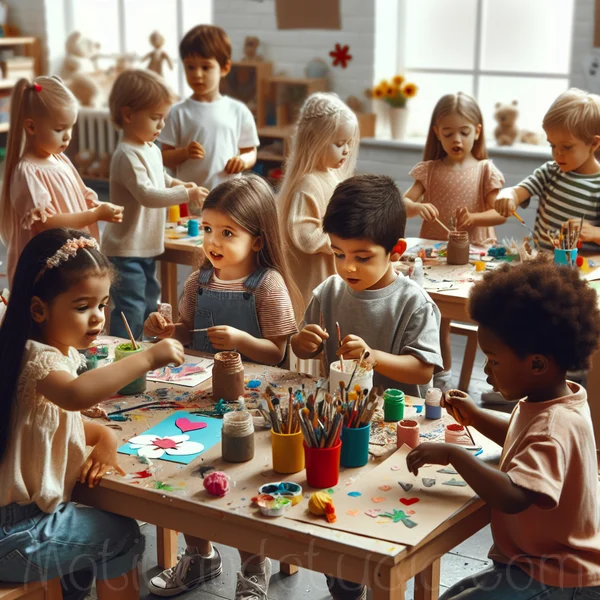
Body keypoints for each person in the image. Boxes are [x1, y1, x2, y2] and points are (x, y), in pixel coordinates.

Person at [0, 228, 185, 600]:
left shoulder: (38, 351)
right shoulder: (38, 359)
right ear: (39, 308)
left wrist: (106, 435)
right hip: (17, 534)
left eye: (102, 305)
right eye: (82, 306)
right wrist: (146, 357)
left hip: (21, 527)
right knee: (122, 535)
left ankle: (73, 589)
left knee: (101, 527)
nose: (98, 318)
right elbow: (75, 395)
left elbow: (54, 421)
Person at [143, 174, 300, 599]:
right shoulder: (198, 282)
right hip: (198, 395)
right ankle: (201, 555)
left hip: (249, 403)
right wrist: (164, 329)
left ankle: (253, 564)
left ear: (258, 240)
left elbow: (277, 352)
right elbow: (187, 334)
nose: (212, 241)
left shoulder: (268, 285)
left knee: (243, 478)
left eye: (227, 232)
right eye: (208, 229)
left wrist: (242, 341)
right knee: (189, 474)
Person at [407, 256, 600, 599]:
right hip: (536, 561)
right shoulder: (557, 400)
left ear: (537, 363)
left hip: (558, 575)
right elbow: (520, 437)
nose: (486, 372)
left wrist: (453, 454)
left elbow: (513, 495)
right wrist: (477, 416)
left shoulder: (554, 426)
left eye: (493, 361)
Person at [403, 92, 506, 390]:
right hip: (436, 262)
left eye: (464, 132)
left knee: (491, 318)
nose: (456, 139)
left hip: (474, 260)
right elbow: (402, 202)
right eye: (448, 133)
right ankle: (441, 376)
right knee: (436, 321)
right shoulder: (429, 170)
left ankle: (498, 380)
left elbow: (498, 214)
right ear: (437, 133)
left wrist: (474, 219)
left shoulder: (486, 170)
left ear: (478, 130)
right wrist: (417, 207)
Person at [101, 69, 207, 340]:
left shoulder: (151, 147)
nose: (161, 126)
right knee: (131, 306)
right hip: (125, 249)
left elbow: (162, 179)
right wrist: (186, 195)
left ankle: (145, 352)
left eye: (163, 119)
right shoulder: (126, 154)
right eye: (155, 118)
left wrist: (183, 186)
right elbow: (147, 194)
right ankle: (123, 353)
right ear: (128, 115)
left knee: (150, 303)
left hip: (145, 246)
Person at [0, 76, 123, 286]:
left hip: (72, 257)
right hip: (48, 265)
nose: (67, 137)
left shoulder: (60, 159)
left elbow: (81, 196)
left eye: (70, 127)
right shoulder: (27, 172)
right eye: (59, 129)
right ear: (31, 127)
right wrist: (94, 215)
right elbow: (47, 224)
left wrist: (101, 207)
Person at [277, 92, 359, 316]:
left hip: (331, 272)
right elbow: (305, 235)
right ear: (315, 141)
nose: (347, 150)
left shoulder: (332, 176)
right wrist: (342, 241)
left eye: (348, 143)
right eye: (340, 144)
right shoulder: (307, 184)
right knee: (312, 324)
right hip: (312, 276)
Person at [495, 88, 600, 251]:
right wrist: (507, 196)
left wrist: (594, 232)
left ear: (593, 144)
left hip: (583, 271)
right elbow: (516, 192)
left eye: (567, 146)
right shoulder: (550, 172)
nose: (557, 153)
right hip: (542, 264)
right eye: (552, 145)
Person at [159, 24, 259, 195]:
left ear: (225, 68)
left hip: (228, 197)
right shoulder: (177, 112)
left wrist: (242, 161)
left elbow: (250, 150)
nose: (197, 74)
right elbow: (164, 157)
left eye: (205, 67)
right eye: (190, 67)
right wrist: (184, 153)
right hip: (189, 197)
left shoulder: (238, 111)